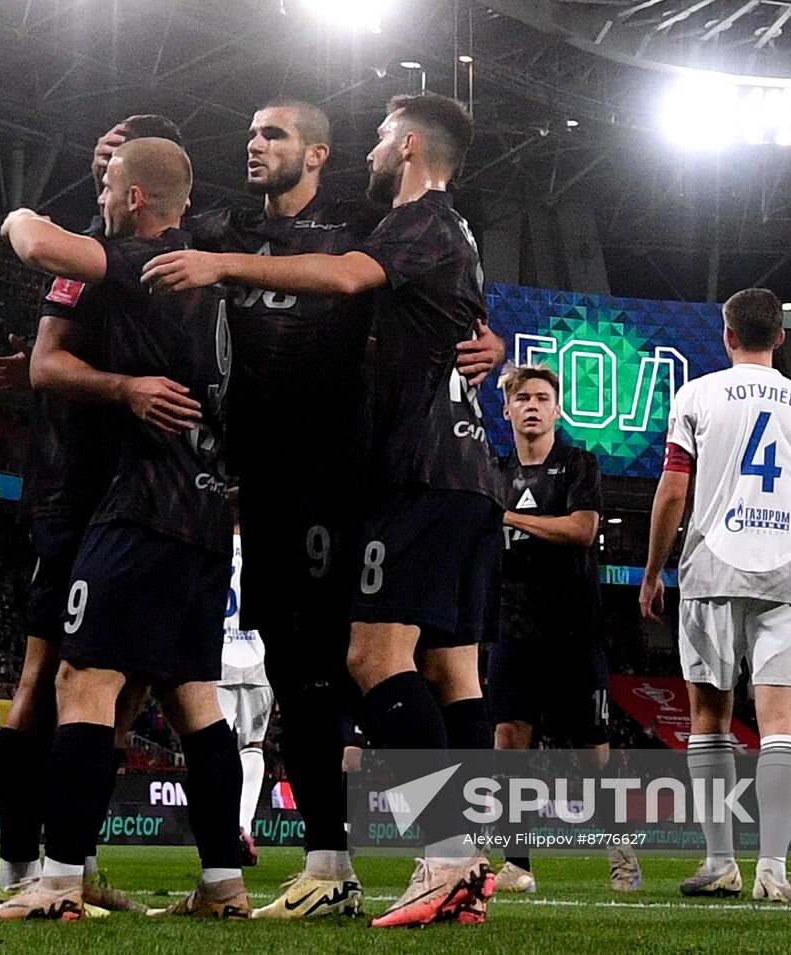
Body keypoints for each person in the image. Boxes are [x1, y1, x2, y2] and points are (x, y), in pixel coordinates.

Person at [99, 98, 502, 919]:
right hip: (260, 483)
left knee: (361, 659)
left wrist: (489, 337)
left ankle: (448, 848)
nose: (255, 144)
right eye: (249, 132)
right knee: (296, 665)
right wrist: (112, 172)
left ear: (317, 154)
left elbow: (419, 289)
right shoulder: (222, 225)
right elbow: (140, 233)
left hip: (350, 474)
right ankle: (332, 865)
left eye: (273, 134)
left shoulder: (368, 222)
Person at [0, 137, 248, 921]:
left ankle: (56, 881)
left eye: (109, 186)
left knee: (81, 681)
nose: (99, 195)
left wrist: (19, 213)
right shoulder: (218, 280)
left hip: (144, 506)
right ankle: (223, 884)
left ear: (134, 199)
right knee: (194, 695)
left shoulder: (148, 262)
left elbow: (34, 242)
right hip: (208, 512)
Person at [639, 287, 791, 904]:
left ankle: (719, 860)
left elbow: (673, 492)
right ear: (780, 336)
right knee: (782, 727)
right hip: (785, 576)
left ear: (727, 336)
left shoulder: (696, 394)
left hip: (711, 573)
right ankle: (773, 871)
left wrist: (652, 572)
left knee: (709, 721)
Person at [488, 364, 641, 894]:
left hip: (574, 630)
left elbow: (582, 529)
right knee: (509, 745)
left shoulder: (579, 464)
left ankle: (621, 853)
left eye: (542, 397)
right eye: (522, 397)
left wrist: (508, 518)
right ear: (505, 409)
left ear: (557, 410)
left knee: (591, 755)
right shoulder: (493, 471)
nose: (532, 405)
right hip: (511, 626)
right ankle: (517, 864)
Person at [217, 519, 273, 867]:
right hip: (258, 657)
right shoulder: (264, 550)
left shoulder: (214, 546)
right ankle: (243, 826)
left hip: (216, 654)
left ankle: (221, 831)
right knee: (252, 746)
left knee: (214, 744)